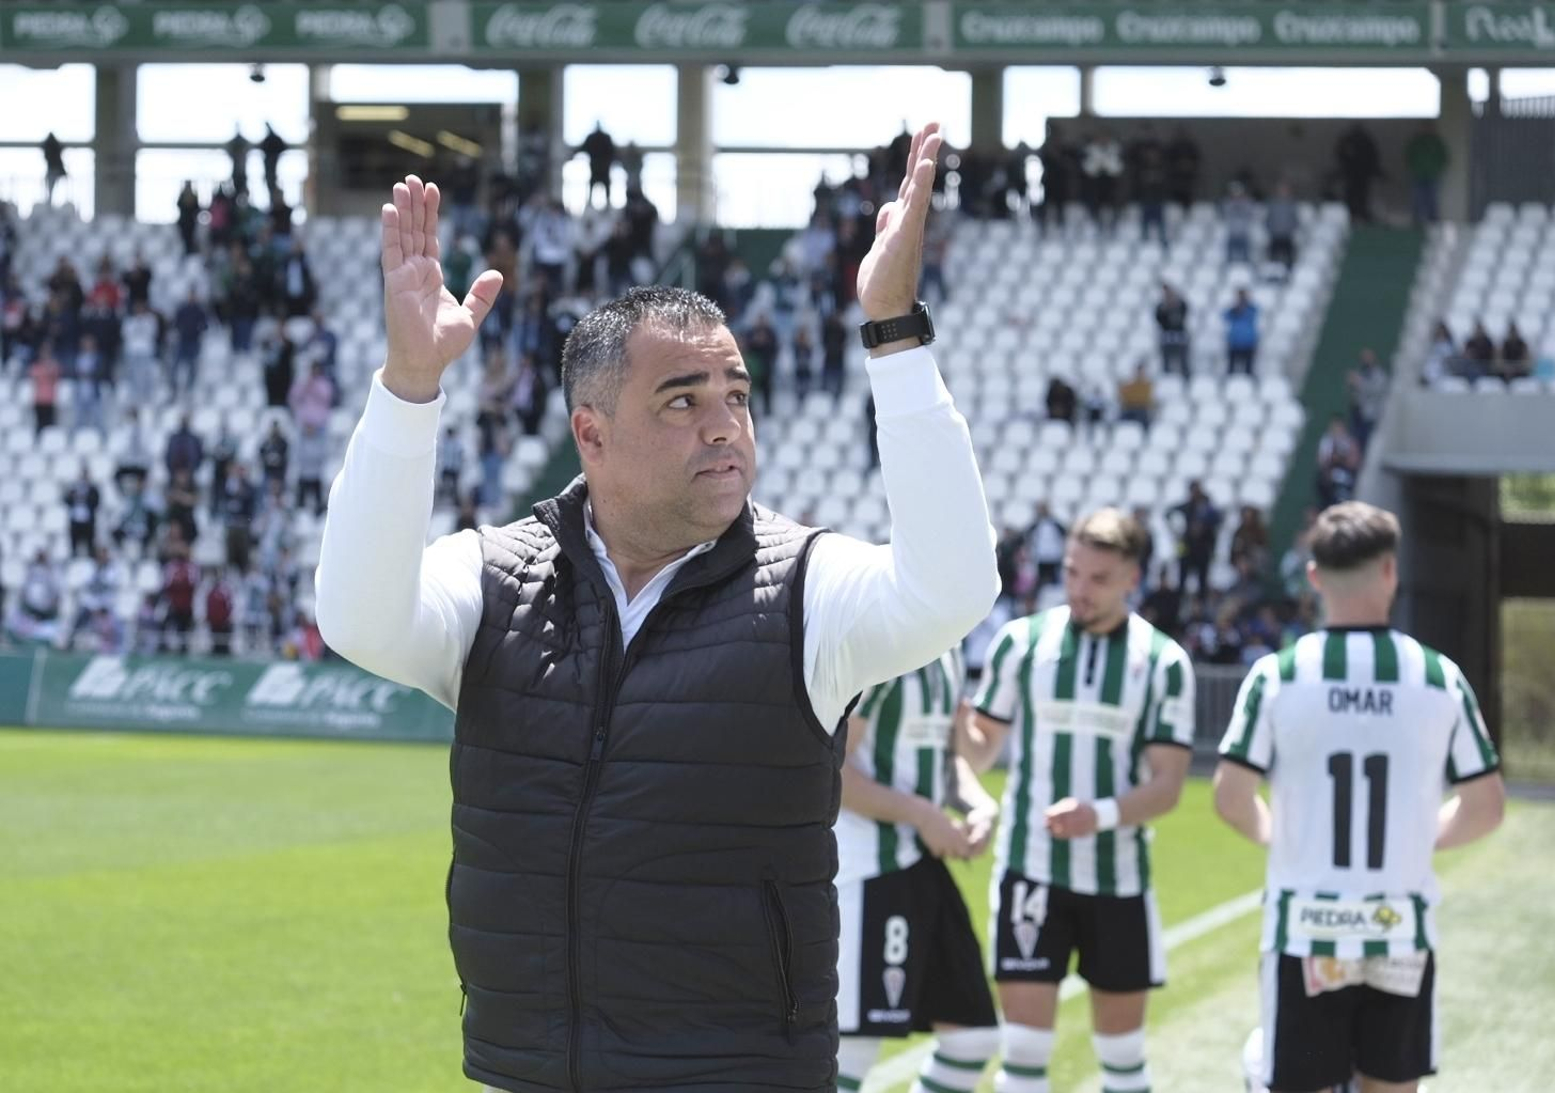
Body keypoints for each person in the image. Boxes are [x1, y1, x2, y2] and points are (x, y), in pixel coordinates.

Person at [314, 128, 999, 1092]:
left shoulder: (804, 586)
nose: (725, 425)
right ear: (591, 434)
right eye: (682, 401)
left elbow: (953, 587)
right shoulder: (498, 576)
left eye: (737, 395)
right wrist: (409, 389)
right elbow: (357, 617)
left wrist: (893, 331)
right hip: (528, 1071)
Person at [1214, 501, 1505, 1093]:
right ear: (1390, 571)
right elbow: (1486, 807)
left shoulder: (1277, 676)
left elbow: (1231, 798)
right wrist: (1419, 838)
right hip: (1399, 928)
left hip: (1307, 929)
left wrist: (1279, 835)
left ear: (1314, 576)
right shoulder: (1438, 677)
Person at [964, 509, 1196, 1093]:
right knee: (1023, 1054)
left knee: (1122, 1058)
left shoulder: (1163, 662)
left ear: (1132, 579)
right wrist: (951, 715)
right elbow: (981, 748)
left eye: (1098, 578)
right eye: (1072, 572)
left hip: (1118, 879)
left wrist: (1101, 816)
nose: (1079, 589)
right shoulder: (1022, 643)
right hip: (1032, 871)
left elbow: (1168, 784)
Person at [833, 652, 1001, 1093]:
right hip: (869, 866)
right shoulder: (881, 648)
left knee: (972, 1039)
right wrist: (922, 814)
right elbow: (832, 769)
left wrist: (980, 805)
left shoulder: (948, 649)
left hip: (920, 861)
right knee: (851, 1048)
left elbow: (946, 758)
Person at [1404, 124, 1449, 227]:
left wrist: (1436, 169)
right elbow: (1408, 156)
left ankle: (1433, 223)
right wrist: (1414, 168)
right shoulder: (1417, 142)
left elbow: (1444, 158)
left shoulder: (1436, 142)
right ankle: (1416, 223)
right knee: (1417, 199)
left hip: (1432, 175)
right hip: (1418, 175)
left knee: (1432, 199)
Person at [1154, 284, 1189, 379]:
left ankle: (1186, 376)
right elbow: (1159, 319)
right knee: (1166, 359)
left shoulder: (1180, 304)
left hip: (1179, 335)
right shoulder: (1161, 307)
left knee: (1183, 358)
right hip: (1167, 335)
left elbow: (1184, 315)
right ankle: (1167, 378)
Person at [1224, 288, 1260, 376]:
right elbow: (1225, 317)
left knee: (1249, 369)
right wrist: (1235, 309)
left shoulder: (1251, 309)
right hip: (1235, 342)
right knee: (1231, 369)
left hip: (1248, 342)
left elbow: (1255, 314)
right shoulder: (1233, 310)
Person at [42, 132, 66, 204]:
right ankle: (50, 201)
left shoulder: (49, 147)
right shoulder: (56, 147)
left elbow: (46, 156)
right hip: (55, 170)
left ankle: (50, 201)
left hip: (52, 170)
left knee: (50, 186)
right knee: (51, 186)